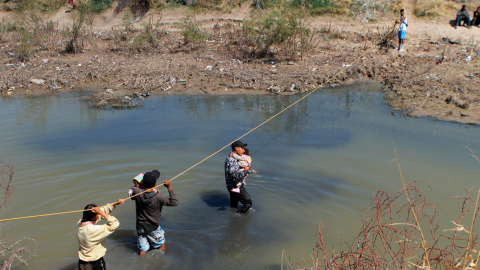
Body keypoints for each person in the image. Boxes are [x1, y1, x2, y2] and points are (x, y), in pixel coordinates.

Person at [130, 170, 178, 255]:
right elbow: (174, 202)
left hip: (140, 226)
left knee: (143, 249)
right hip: (153, 227)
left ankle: (141, 263)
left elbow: (132, 194)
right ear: (155, 183)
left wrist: (138, 186)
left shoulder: (137, 192)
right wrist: (169, 187)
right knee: (161, 245)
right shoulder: (159, 197)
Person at [77, 199, 125, 270]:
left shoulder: (80, 223)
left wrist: (114, 204)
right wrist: (103, 214)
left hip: (82, 263)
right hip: (94, 263)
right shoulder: (93, 230)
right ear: (95, 216)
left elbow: (98, 213)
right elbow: (114, 224)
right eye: (98, 214)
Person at [225, 141, 257, 214]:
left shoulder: (232, 157)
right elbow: (233, 174)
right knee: (248, 203)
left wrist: (246, 169)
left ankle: (232, 220)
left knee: (234, 205)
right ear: (236, 148)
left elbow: (235, 170)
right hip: (235, 185)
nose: (243, 150)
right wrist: (247, 171)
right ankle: (237, 217)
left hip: (231, 185)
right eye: (242, 148)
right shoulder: (231, 159)